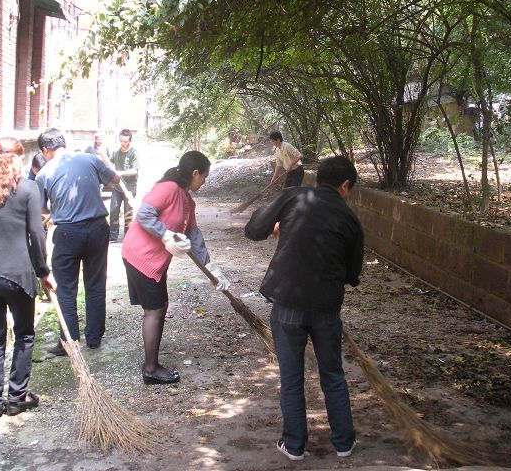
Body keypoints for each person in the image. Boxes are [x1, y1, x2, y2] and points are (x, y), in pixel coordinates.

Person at [245, 155, 363, 461]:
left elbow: (254, 229)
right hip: (326, 308)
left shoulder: (294, 196)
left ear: (318, 176)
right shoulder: (350, 219)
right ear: (345, 185)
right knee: (333, 374)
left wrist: (278, 225)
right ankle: (343, 442)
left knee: (292, 375)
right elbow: (352, 276)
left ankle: (294, 444)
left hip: (288, 306)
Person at [121, 151, 229, 384]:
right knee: (155, 309)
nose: (205, 181)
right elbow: (144, 214)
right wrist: (166, 235)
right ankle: (151, 369)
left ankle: (150, 362)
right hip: (140, 255)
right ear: (194, 173)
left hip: (154, 261)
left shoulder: (187, 200)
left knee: (159, 306)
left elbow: (193, 235)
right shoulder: (168, 188)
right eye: (204, 176)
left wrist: (212, 268)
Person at [0, 137, 56, 421]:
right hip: (18, 274)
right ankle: (17, 398)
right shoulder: (29, 189)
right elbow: (36, 232)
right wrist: (44, 271)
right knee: (24, 334)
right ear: (20, 158)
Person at [35, 128, 127, 355]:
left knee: (66, 289)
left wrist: (56, 206)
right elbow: (115, 179)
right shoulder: (90, 160)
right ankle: (94, 338)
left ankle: (69, 342)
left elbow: (41, 209)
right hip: (97, 229)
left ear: (45, 150)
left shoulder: (44, 173)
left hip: (68, 233)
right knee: (95, 284)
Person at [109, 128, 140, 242]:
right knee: (113, 210)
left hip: (129, 188)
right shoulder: (116, 153)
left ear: (130, 140)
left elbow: (134, 171)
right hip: (117, 187)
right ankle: (113, 236)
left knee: (128, 212)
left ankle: (128, 237)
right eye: (121, 141)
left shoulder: (133, 153)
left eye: (125, 141)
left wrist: (120, 173)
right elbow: (108, 162)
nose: (123, 143)